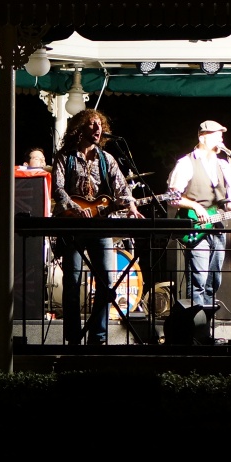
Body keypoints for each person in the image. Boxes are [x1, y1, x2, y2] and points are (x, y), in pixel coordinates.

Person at [51, 108, 142, 345]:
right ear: (79, 128)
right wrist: (74, 208)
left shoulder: (106, 158)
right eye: (91, 124)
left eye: (99, 124)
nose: (97, 128)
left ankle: (98, 337)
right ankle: (73, 337)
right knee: (72, 282)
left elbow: (122, 189)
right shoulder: (65, 157)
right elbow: (57, 189)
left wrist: (132, 206)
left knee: (107, 283)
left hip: (100, 226)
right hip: (72, 225)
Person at [166, 120, 231, 311]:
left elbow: (227, 203)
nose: (221, 139)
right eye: (216, 135)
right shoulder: (186, 163)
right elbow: (172, 198)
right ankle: (195, 324)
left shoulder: (223, 165)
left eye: (222, 136)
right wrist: (195, 206)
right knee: (199, 280)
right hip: (196, 228)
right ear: (202, 137)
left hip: (217, 228)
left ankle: (208, 324)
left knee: (214, 280)